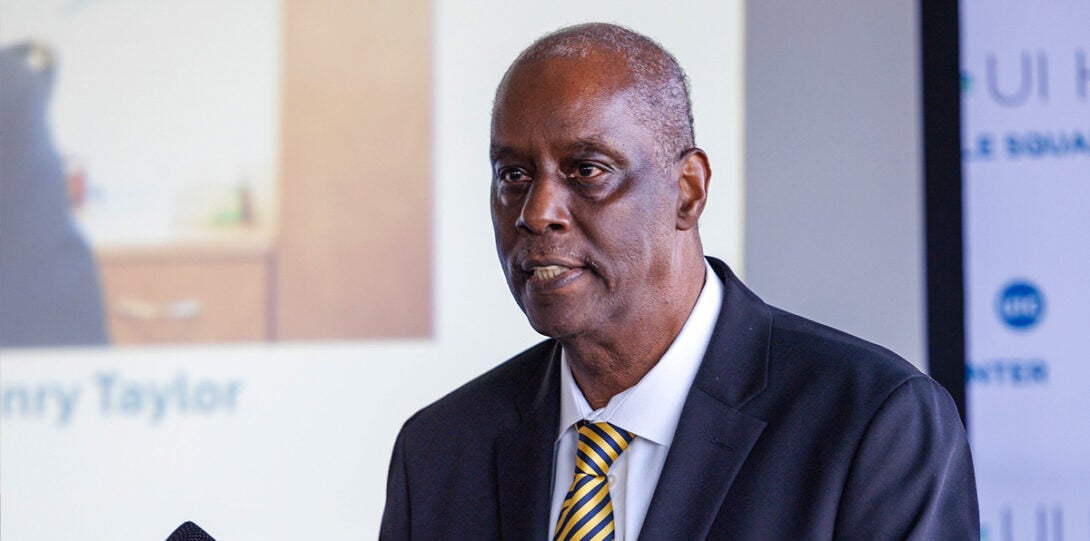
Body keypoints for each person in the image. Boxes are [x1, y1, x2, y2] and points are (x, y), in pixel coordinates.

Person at [380, 23, 978, 540]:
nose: (536, 213)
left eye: (587, 169)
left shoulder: (872, 422)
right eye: (513, 174)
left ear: (688, 190)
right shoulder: (440, 451)